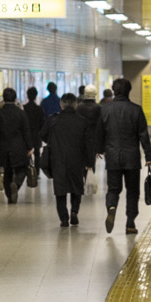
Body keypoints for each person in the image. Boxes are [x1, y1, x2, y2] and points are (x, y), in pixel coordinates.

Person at [95, 77, 151, 235]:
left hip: (112, 155)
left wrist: (98, 148)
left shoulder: (105, 109)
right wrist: (148, 155)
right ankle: (130, 223)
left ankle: (112, 207)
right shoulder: (136, 109)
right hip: (131, 156)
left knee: (113, 188)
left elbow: (100, 131)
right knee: (132, 191)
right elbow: (143, 134)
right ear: (129, 90)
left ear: (114, 90)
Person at [40, 93, 96, 227]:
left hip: (57, 159)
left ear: (62, 105)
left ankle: (64, 219)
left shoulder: (53, 120)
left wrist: (53, 140)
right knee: (77, 187)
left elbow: (42, 135)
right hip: (77, 160)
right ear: (75, 104)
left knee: (60, 189)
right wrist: (89, 163)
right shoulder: (82, 121)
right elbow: (88, 144)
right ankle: (74, 212)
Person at [0, 88, 33, 203]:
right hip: (19, 147)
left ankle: (10, 196)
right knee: (22, 169)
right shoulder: (21, 113)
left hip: (4, 147)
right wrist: (29, 147)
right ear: (15, 99)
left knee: (7, 172)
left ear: (3, 99)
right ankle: (17, 184)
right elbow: (26, 131)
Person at [23, 86, 44, 181]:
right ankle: (37, 173)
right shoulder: (39, 109)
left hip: (26, 134)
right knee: (37, 154)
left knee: (27, 153)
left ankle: (28, 171)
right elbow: (42, 123)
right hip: (36, 134)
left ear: (27, 96)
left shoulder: (24, 109)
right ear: (36, 96)